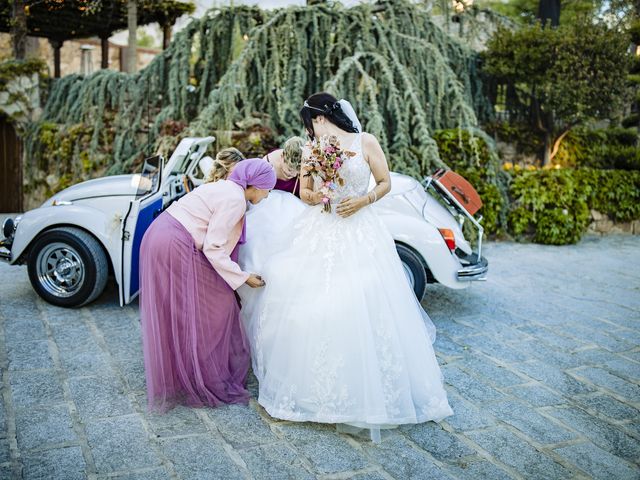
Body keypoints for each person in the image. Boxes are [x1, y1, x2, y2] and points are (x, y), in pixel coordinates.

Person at [239, 93, 453, 442]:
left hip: (361, 228)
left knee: (362, 300)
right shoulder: (312, 149)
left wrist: (363, 199)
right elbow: (304, 192)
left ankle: (370, 389)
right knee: (311, 301)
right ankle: (315, 392)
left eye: (310, 122)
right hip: (323, 225)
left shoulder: (365, 141)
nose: (309, 129)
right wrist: (322, 196)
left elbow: (385, 183)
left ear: (321, 117)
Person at [139, 158, 276, 412]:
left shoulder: (227, 187)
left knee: (184, 307)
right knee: (217, 304)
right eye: (268, 190)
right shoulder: (235, 200)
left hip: (162, 234)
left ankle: (188, 370)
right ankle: (204, 376)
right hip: (173, 242)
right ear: (255, 186)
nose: (267, 196)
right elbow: (214, 247)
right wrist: (243, 276)